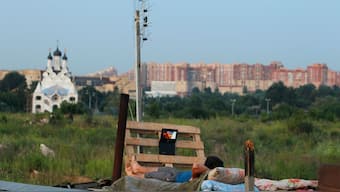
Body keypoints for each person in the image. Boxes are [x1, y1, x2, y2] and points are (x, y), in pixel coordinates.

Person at [125, 155, 224, 183]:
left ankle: (133, 175)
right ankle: (138, 168)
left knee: (152, 175)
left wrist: (207, 171)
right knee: (160, 169)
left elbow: (195, 166)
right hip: (177, 172)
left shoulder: (205, 177)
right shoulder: (204, 173)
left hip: (173, 178)